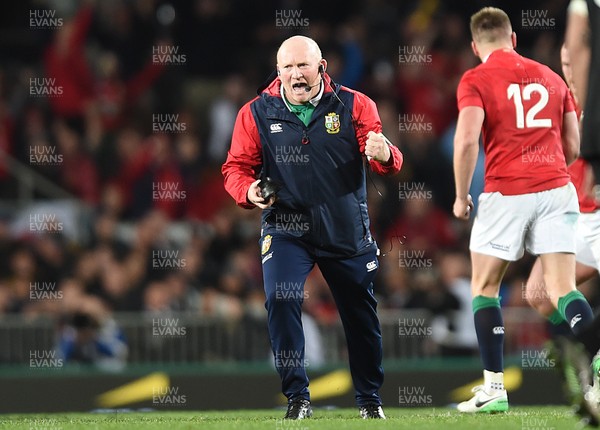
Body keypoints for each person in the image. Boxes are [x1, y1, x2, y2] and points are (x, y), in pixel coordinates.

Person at [222, 35, 403, 420]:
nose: (295, 74)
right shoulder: (255, 113)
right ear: (278, 72)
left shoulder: (355, 105)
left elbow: (385, 156)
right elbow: (235, 169)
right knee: (281, 298)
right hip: (287, 227)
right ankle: (297, 398)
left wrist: (386, 154)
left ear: (322, 68)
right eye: (287, 67)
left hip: (345, 229)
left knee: (359, 314)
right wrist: (249, 191)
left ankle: (370, 400)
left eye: (303, 66)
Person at [452, 7, 592, 414]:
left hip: (505, 192)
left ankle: (494, 389)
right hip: (557, 189)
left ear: (476, 46)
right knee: (563, 289)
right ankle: (596, 355)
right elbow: (573, 146)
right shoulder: (550, 76)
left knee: (485, 288)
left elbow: (465, 141)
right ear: (513, 39)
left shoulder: (476, 78)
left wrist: (462, 196)